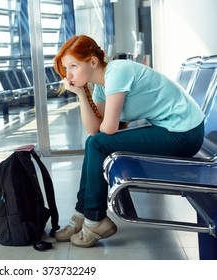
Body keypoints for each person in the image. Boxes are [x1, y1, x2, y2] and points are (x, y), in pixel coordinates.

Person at [52, 35, 205, 248]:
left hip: (185, 133)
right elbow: (94, 130)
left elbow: (108, 128)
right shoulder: (101, 86)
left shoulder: (117, 72)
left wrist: (97, 118)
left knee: (97, 144)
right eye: (66, 69)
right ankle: (82, 214)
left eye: (73, 66)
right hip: (168, 128)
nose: (68, 75)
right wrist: (80, 94)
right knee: (92, 142)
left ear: (93, 61)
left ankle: (94, 219)